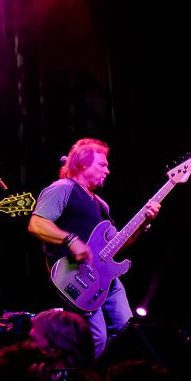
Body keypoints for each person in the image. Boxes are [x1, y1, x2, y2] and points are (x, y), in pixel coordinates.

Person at [27, 138, 159, 357]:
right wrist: (71, 240)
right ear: (82, 164)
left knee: (129, 331)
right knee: (96, 338)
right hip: (77, 277)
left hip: (107, 278)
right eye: (102, 164)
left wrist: (143, 223)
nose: (108, 170)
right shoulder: (62, 189)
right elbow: (36, 224)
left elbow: (117, 246)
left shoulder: (101, 203)